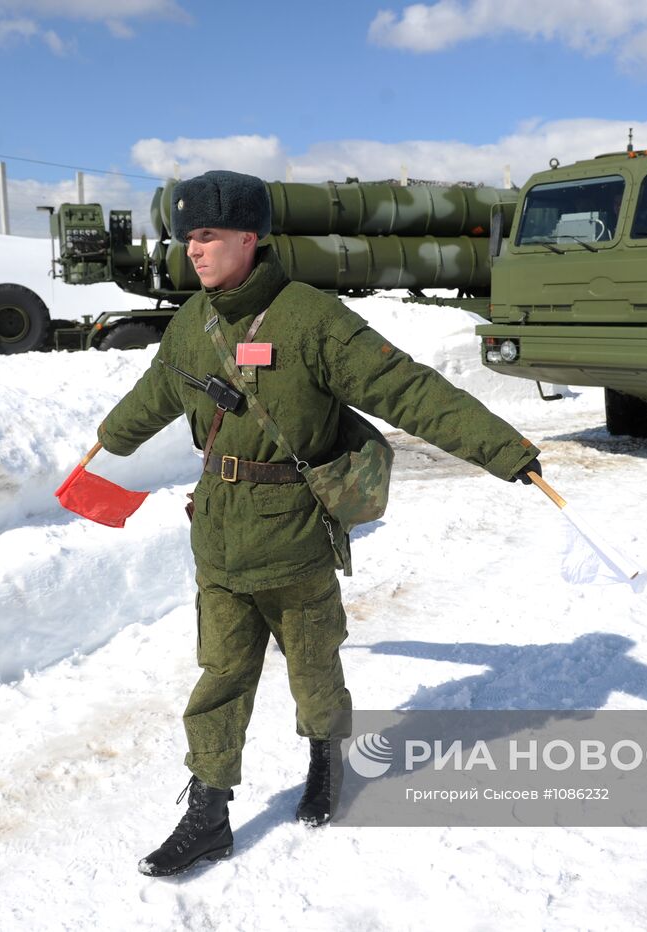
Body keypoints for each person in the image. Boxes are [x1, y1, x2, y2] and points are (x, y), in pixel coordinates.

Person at [97, 170, 543, 877]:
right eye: (188, 239)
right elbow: (157, 391)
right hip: (216, 534)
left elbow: (407, 388)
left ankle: (327, 761)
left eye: (209, 237)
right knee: (220, 675)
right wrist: (109, 438)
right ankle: (209, 811)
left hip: (294, 535)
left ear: (251, 237)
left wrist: (504, 449)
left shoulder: (311, 318)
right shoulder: (190, 322)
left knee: (314, 666)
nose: (195, 252)